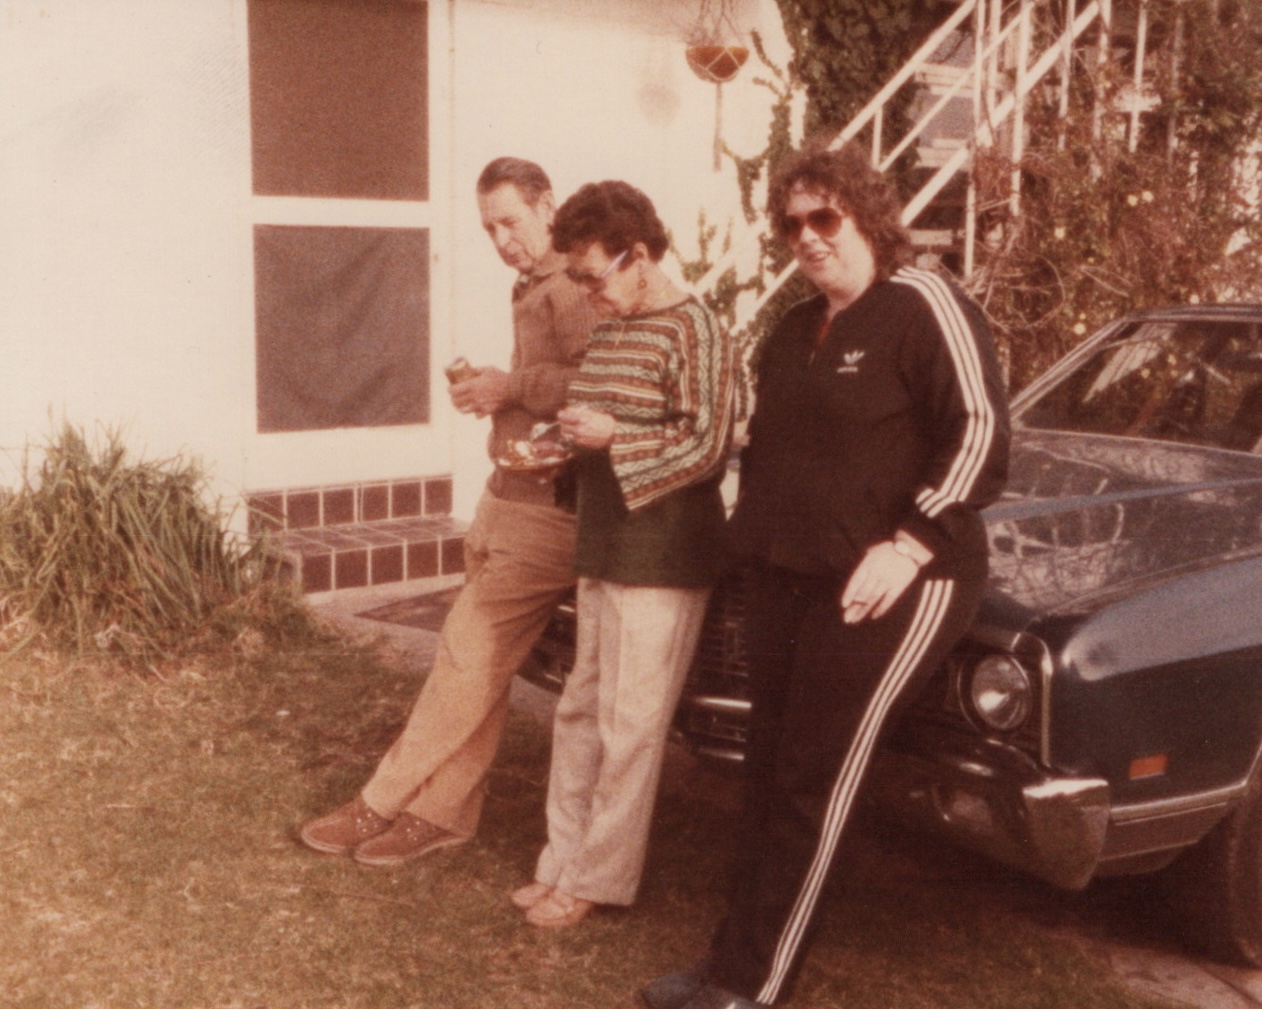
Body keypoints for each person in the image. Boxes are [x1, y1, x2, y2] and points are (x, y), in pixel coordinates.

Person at [640, 142, 1010, 1008]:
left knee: (816, 773)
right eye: (791, 223)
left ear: (866, 216)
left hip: (900, 578)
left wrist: (909, 542)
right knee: (766, 767)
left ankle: (755, 987)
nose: (807, 237)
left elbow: (983, 432)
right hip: (788, 576)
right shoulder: (795, 329)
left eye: (824, 218)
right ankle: (727, 960)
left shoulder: (924, 304)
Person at [299, 157, 600, 866]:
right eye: (489, 227)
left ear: (548, 205)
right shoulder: (529, 284)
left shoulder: (577, 285)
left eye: (512, 222)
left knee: (468, 653)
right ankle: (440, 813)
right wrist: (498, 398)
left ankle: (380, 801)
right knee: (478, 667)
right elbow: (536, 391)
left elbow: (602, 377)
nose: (501, 240)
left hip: (552, 510)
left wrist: (509, 386)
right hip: (507, 493)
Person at [507, 180, 736, 930]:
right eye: (572, 276)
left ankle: (599, 878)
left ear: (637, 256)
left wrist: (616, 440)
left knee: (631, 722)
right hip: (604, 539)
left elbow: (706, 446)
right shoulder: (609, 327)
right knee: (579, 708)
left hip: (665, 551)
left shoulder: (696, 327)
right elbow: (600, 425)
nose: (584, 291)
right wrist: (560, 452)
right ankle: (561, 861)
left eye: (591, 275)